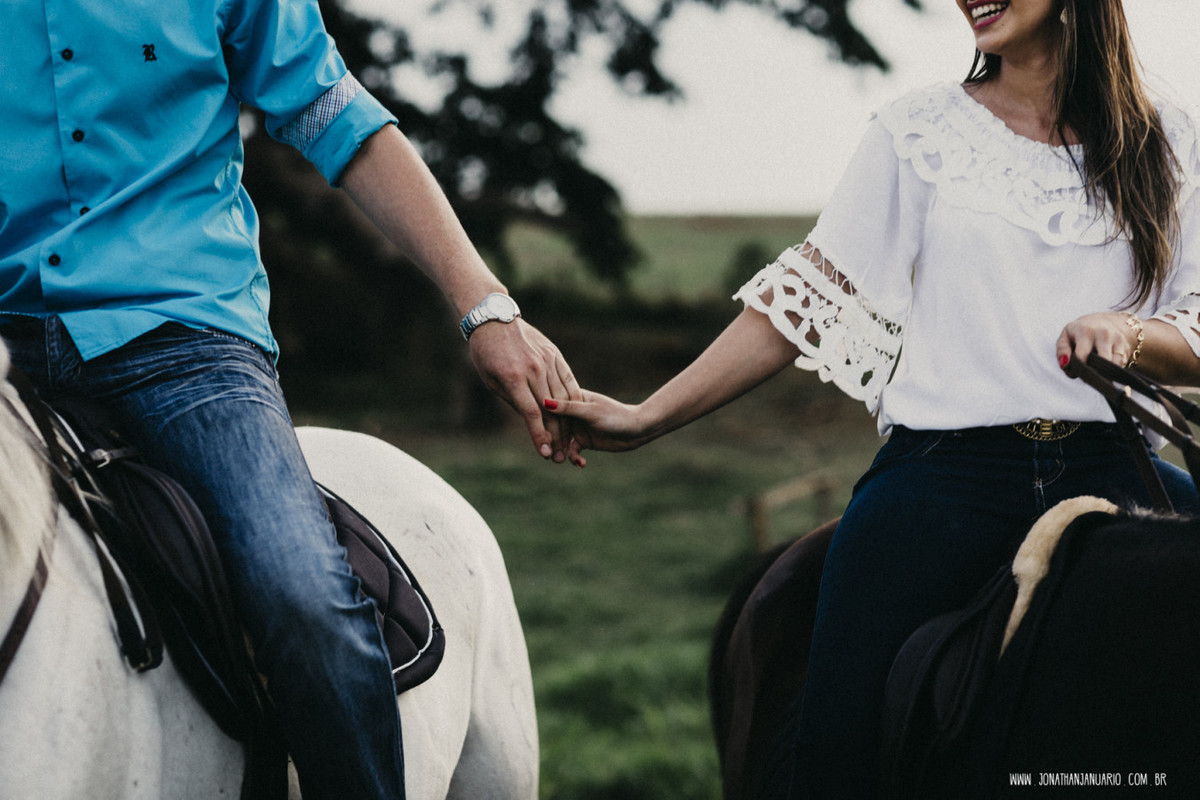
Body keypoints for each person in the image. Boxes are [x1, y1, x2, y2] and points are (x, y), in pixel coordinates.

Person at [544, 1, 1200, 796]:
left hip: (1119, 473)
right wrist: (648, 416)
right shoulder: (917, 132)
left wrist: (1127, 336)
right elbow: (804, 300)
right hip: (944, 482)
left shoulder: (1171, 141)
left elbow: (1195, 324)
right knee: (841, 758)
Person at [0, 1, 582, 798]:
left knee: (300, 594)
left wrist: (483, 306)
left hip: (183, 341)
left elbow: (330, 109)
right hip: (6, 342)